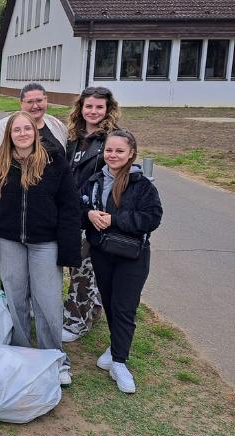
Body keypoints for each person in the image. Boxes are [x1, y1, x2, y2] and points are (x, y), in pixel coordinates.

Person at [0, 111, 81, 386]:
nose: (22, 134)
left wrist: (69, 251)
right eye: (16, 130)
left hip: (46, 243)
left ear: (35, 132)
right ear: (9, 135)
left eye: (27, 129)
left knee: (48, 301)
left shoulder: (54, 162)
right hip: (8, 242)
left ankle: (55, 358)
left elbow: (69, 207)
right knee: (16, 298)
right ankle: (21, 352)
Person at [80, 129, 162, 393]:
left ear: (131, 154)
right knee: (111, 304)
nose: (112, 155)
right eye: (109, 150)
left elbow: (151, 218)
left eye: (119, 151)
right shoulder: (94, 181)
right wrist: (90, 215)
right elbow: (79, 209)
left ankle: (119, 362)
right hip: (103, 253)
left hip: (131, 256)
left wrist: (115, 221)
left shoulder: (142, 185)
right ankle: (116, 347)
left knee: (125, 307)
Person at [62, 86, 121, 343]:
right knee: (80, 265)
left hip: (94, 214)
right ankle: (92, 308)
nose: (94, 111)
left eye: (99, 107)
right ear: (81, 108)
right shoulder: (73, 136)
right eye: (89, 106)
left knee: (82, 267)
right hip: (70, 211)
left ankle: (77, 321)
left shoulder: (111, 139)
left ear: (108, 109)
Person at [0, 83, 68, 180]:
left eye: (39, 100)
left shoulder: (56, 124)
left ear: (46, 100)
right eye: (29, 102)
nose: (35, 106)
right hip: (18, 191)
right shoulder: (5, 126)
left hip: (57, 190)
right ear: (21, 103)